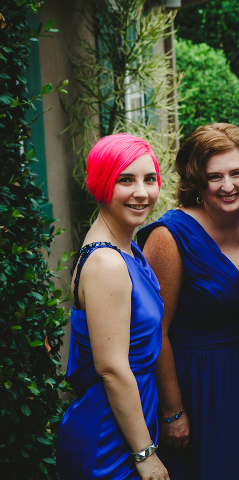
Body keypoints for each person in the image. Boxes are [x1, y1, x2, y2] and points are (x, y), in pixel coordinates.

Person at [137, 124, 239, 480]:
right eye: (213, 176)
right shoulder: (169, 236)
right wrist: (173, 412)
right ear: (195, 180)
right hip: (204, 386)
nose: (228, 186)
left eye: (237, 172)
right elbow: (158, 332)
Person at [57, 134, 168, 480]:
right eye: (126, 179)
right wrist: (145, 453)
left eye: (149, 179)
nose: (142, 192)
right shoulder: (107, 262)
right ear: (101, 184)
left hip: (133, 415)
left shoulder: (127, 249)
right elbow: (113, 369)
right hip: (108, 432)